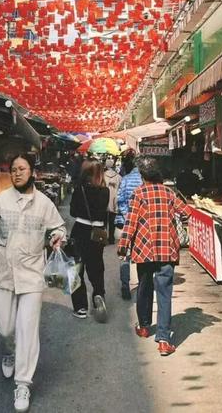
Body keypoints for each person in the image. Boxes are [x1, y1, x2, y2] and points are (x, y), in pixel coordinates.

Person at [0, 154, 66, 413]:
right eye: (14, 169)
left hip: (32, 274)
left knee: (28, 329)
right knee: (5, 327)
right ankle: (8, 350)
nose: (17, 173)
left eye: (22, 169)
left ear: (32, 172)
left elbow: (59, 227)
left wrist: (57, 237)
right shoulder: (1, 201)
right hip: (2, 273)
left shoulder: (44, 203)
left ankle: (23, 383)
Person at [117, 156, 189, 357]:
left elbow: (131, 223)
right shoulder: (169, 193)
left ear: (143, 176)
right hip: (167, 250)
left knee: (144, 287)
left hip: (144, 249)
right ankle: (164, 340)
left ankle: (144, 326)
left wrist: (123, 246)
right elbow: (186, 212)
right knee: (164, 294)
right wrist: (172, 220)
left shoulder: (139, 194)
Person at [69, 160, 109, 321]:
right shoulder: (105, 191)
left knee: (76, 270)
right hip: (97, 233)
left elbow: (72, 212)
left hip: (80, 230)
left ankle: (80, 307)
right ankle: (98, 294)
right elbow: (104, 213)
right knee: (96, 267)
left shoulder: (79, 189)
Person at [116, 149, 142, 300]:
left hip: (126, 223)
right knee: (141, 254)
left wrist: (127, 216)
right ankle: (142, 284)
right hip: (142, 223)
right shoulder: (144, 180)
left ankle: (125, 285)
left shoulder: (125, 179)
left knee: (124, 255)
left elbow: (120, 200)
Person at [104, 157, 121, 245]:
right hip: (114, 201)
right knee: (112, 220)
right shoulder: (118, 177)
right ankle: (111, 238)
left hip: (104, 200)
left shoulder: (102, 175)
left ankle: (103, 237)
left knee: (104, 220)